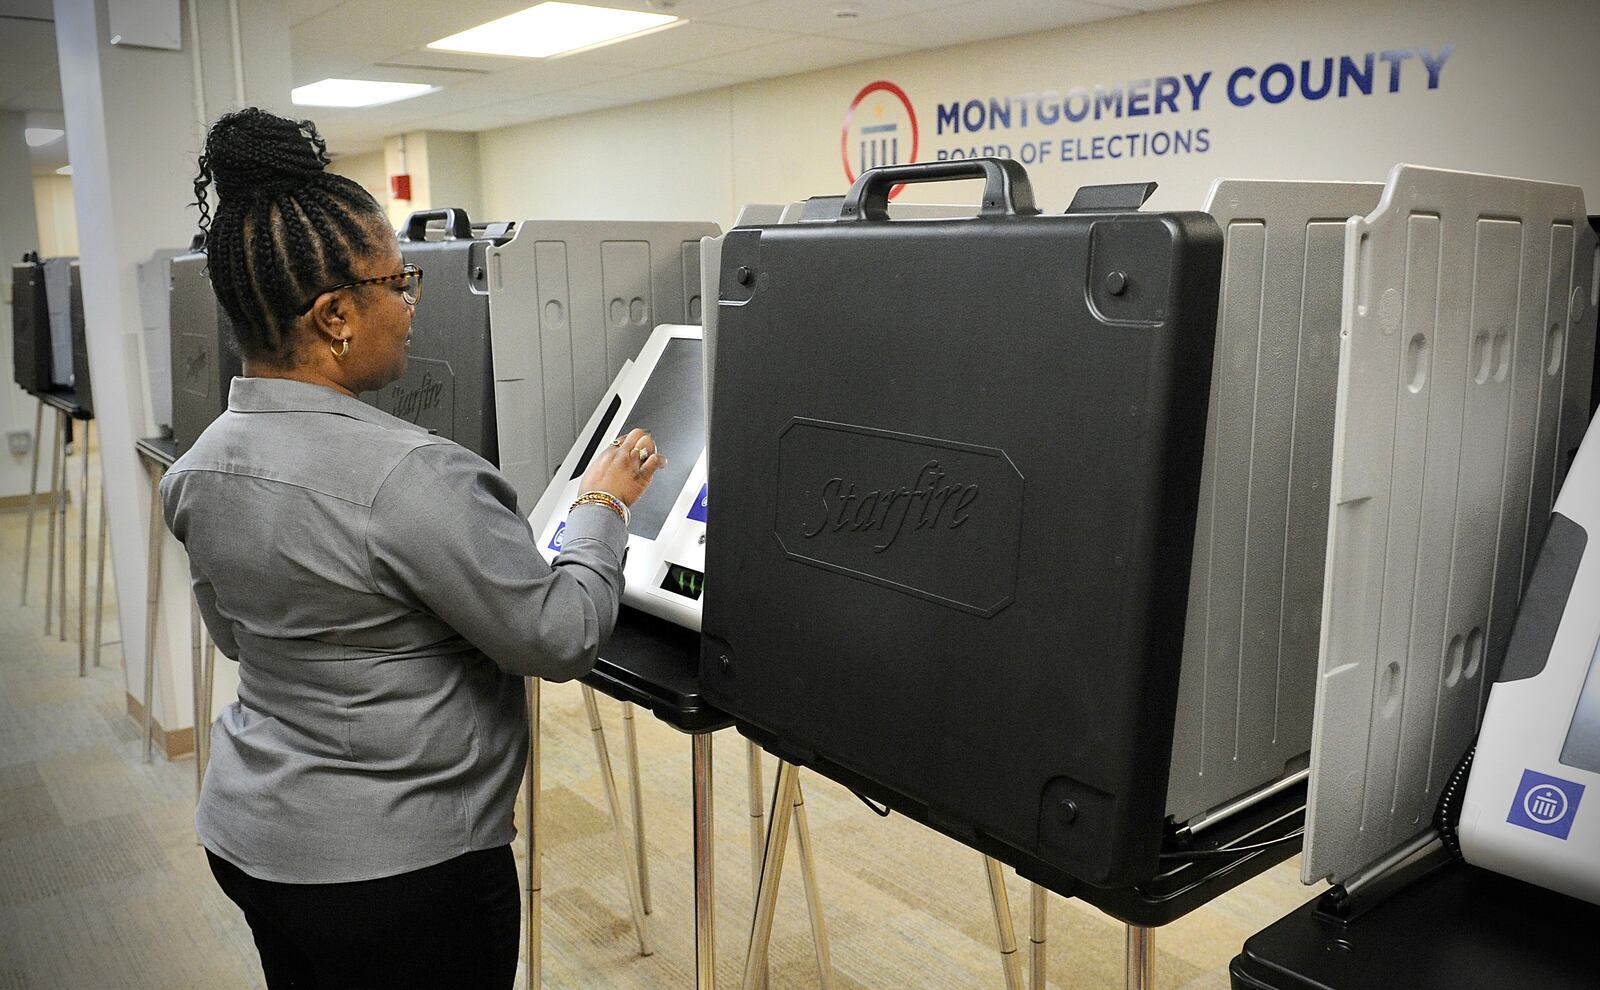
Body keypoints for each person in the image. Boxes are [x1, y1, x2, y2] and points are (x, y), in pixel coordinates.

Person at [161, 107, 664, 989]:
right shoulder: (416, 478)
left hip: (252, 842)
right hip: (401, 875)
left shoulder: (197, 471)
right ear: (335, 317)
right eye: (400, 283)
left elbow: (240, 637)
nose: (412, 304)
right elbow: (558, 635)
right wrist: (601, 505)